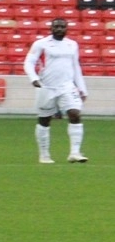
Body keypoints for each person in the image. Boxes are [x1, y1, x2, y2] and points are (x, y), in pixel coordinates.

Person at [23, 17, 89, 164]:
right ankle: (44, 155)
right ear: (51, 28)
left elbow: (76, 67)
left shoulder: (72, 45)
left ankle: (75, 152)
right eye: (56, 26)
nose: (59, 29)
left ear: (67, 29)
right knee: (44, 120)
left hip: (67, 86)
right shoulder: (41, 44)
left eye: (62, 27)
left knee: (75, 114)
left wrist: (82, 88)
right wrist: (33, 78)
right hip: (46, 86)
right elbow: (29, 61)